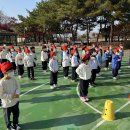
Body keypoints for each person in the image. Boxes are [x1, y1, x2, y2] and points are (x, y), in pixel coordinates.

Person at [0, 62, 21, 130]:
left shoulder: (13, 79)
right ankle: (9, 126)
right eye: (10, 71)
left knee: (16, 113)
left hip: (15, 101)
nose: (12, 72)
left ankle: (15, 124)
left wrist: (17, 93)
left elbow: (18, 87)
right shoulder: (2, 82)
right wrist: (11, 96)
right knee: (7, 115)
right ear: (5, 72)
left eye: (12, 70)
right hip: (7, 103)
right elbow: (1, 95)